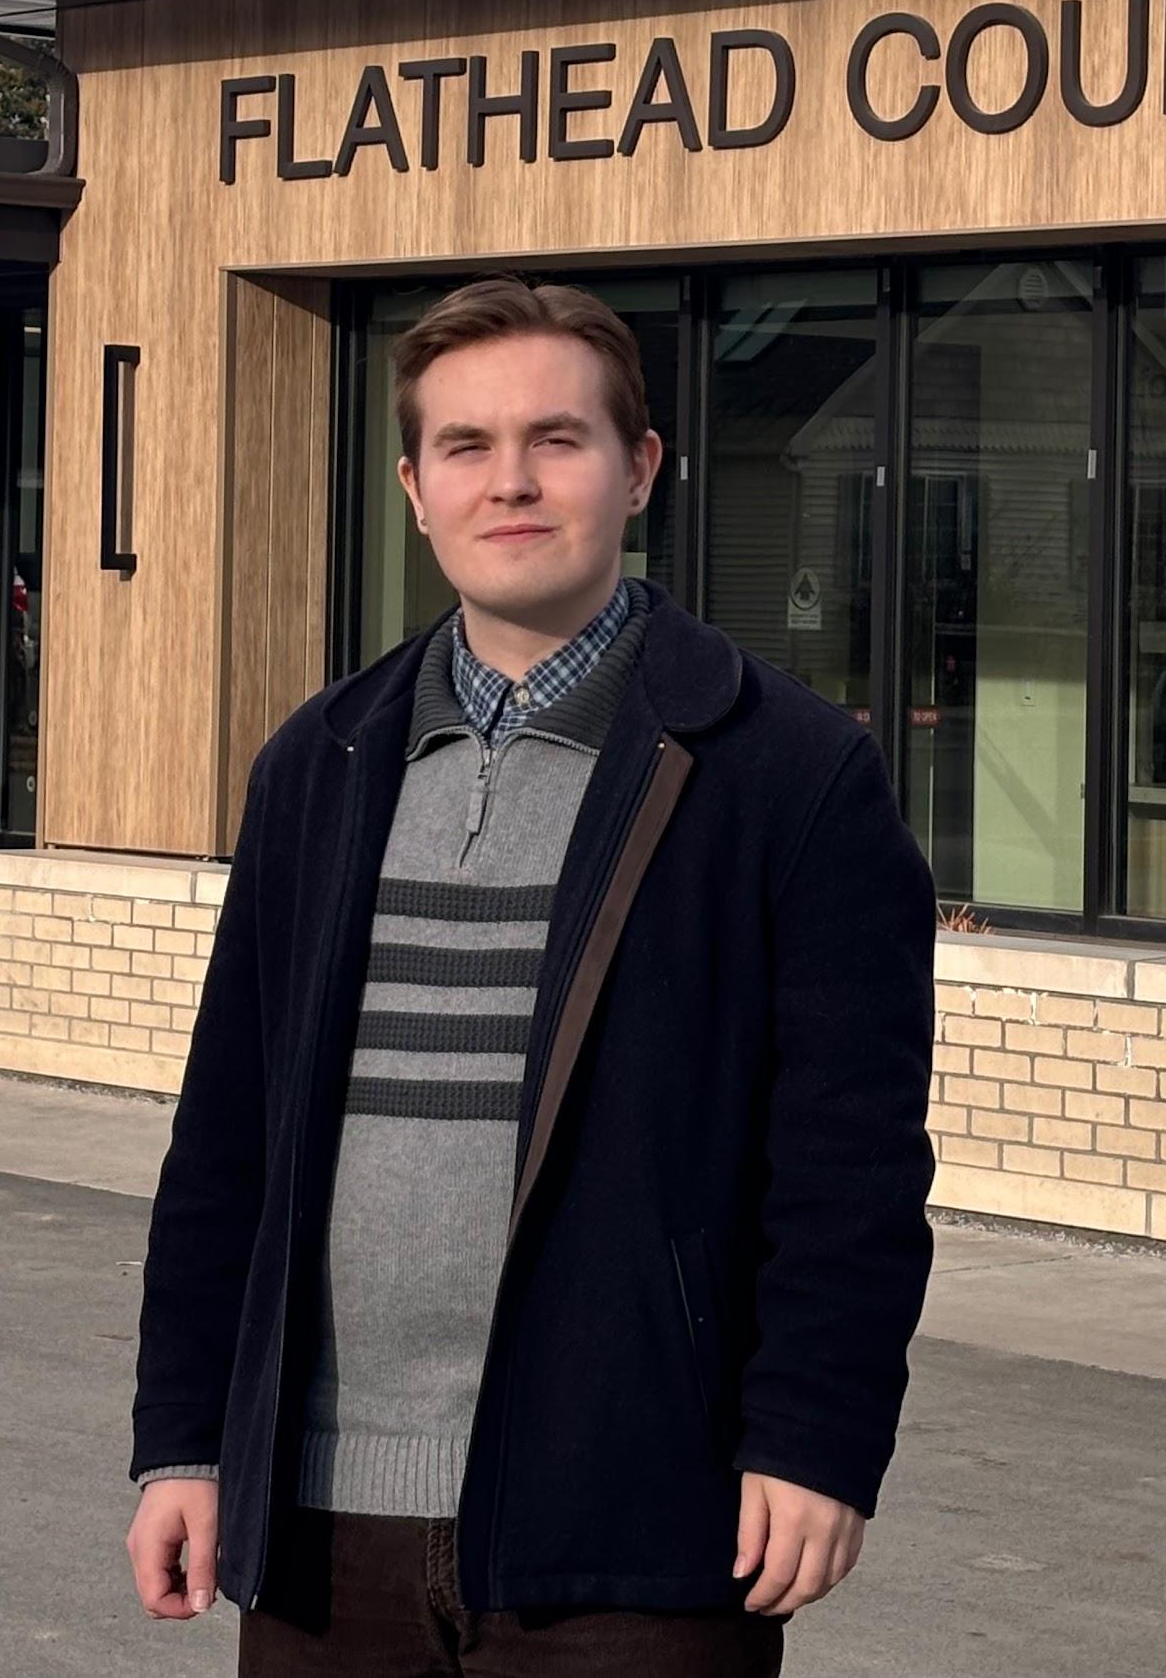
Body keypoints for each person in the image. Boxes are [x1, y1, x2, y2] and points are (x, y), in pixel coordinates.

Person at [126, 275, 936, 1673]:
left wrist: (817, 1439)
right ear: (414, 486)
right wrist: (186, 1439)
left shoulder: (789, 774)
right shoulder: (320, 762)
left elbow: (850, 1163)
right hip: (323, 1523)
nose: (511, 482)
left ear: (639, 472)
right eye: (467, 447)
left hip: (637, 1519)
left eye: (557, 440)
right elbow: (224, 1147)